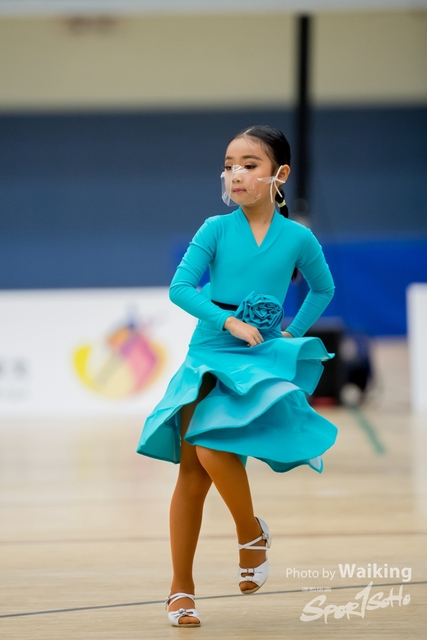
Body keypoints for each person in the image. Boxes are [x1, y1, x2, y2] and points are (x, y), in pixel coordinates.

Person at [136, 125, 338, 627]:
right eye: (229, 165)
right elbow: (181, 288)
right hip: (210, 349)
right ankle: (181, 589)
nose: (236, 174)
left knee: (211, 449)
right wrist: (227, 321)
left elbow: (323, 289)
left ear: (279, 174)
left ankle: (249, 533)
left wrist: (290, 333)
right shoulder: (215, 228)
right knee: (191, 471)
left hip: (258, 356)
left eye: (250, 165)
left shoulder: (298, 238)